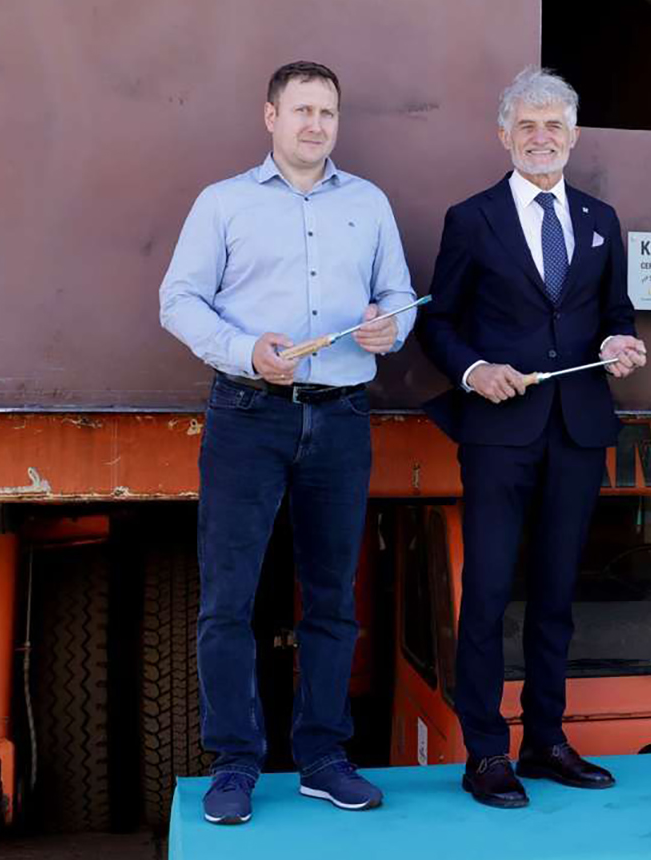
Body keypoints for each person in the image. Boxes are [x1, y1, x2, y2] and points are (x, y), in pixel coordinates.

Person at [159, 60, 415, 824]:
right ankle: (234, 764)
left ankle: (324, 756)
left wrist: (389, 326)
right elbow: (178, 299)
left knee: (333, 598)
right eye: (301, 109)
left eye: (327, 112)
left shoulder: (367, 204)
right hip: (248, 412)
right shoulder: (224, 203)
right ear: (269, 116)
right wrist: (246, 353)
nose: (315, 124)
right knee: (228, 599)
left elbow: (400, 294)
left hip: (340, 416)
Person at [416, 66, 648, 809]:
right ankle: (485, 751)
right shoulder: (470, 218)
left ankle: (546, 740)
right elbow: (438, 323)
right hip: (497, 433)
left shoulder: (602, 220)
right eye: (527, 126)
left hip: (578, 429)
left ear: (573, 136)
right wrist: (475, 369)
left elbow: (620, 311)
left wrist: (623, 344)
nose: (541, 138)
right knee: (485, 593)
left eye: (554, 126)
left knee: (556, 595)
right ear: (503, 136)